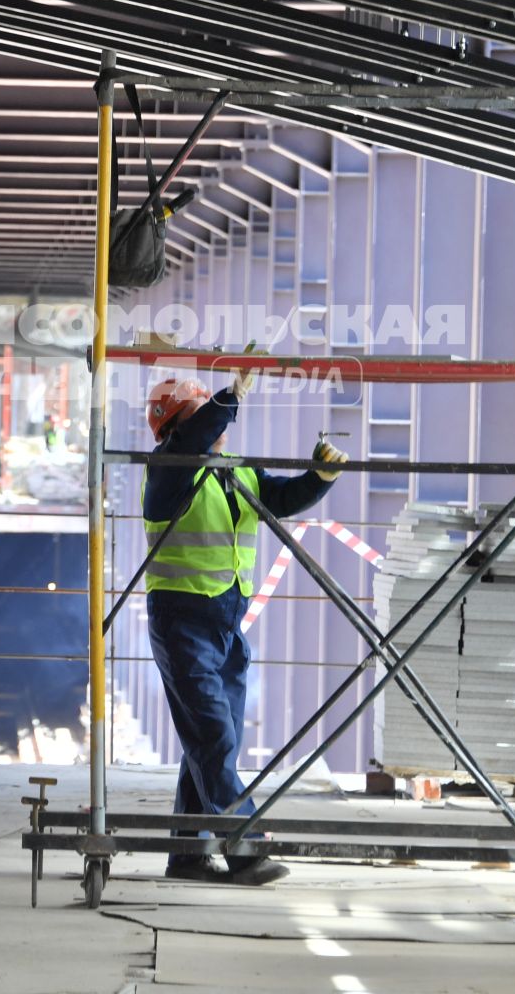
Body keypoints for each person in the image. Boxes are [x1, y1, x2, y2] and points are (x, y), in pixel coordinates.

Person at [142, 373, 347, 886]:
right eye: (198, 413)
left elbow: (280, 498)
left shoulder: (237, 472)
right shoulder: (167, 472)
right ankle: (244, 847)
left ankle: (187, 854)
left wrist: (318, 478)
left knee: (213, 739)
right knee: (212, 733)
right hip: (182, 620)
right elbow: (189, 442)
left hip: (228, 625)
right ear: (175, 428)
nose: (218, 425)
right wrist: (228, 398)